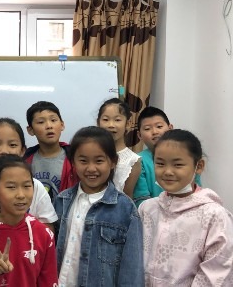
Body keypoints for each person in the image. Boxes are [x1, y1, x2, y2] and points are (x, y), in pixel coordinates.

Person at [139, 129, 233, 285]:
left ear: (199, 166)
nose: (168, 171)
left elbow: (218, 272)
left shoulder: (214, 216)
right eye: (160, 163)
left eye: (178, 164)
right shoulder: (148, 209)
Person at [54, 126, 144, 287]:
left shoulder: (126, 209)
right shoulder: (62, 201)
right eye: (83, 161)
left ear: (112, 162)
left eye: (99, 160)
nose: (91, 168)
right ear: (73, 162)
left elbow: (132, 268)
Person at [0, 154, 58, 287]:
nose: (21, 195)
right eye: (11, 187)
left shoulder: (43, 234)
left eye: (27, 186)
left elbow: (49, 281)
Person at [133, 106, 201, 206]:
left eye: (159, 126)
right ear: (139, 135)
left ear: (170, 128)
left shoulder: (186, 155)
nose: (155, 132)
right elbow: (141, 198)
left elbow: (196, 186)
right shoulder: (137, 160)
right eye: (147, 128)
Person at [24, 101, 78, 201]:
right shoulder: (24, 161)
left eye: (53, 120)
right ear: (30, 130)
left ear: (62, 125)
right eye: (41, 122)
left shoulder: (75, 158)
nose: (49, 126)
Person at [97, 98, 141, 197]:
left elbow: (127, 199)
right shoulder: (91, 153)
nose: (111, 125)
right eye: (105, 119)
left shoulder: (133, 161)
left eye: (117, 120)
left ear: (128, 124)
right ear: (98, 122)